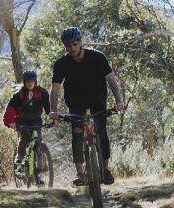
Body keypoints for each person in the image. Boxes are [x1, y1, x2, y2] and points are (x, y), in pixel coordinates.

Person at [48, 26, 125, 187]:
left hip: (97, 96)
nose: (72, 49)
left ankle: (105, 170)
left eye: (75, 44)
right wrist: (53, 110)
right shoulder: (61, 63)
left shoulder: (97, 57)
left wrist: (118, 100)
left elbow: (111, 80)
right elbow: (55, 88)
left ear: (81, 42)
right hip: (75, 99)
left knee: (101, 131)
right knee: (77, 132)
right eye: (68, 46)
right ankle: (79, 173)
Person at [2, 70, 51, 184]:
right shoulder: (18, 95)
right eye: (28, 81)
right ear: (24, 82)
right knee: (25, 137)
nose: (30, 83)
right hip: (22, 121)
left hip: (36, 121)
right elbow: (10, 110)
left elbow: (48, 109)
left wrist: (54, 118)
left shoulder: (42, 94)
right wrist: (10, 122)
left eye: (32, 81)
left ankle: (38, 172)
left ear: (35, 82)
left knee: (37, 143)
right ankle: (19, 157)